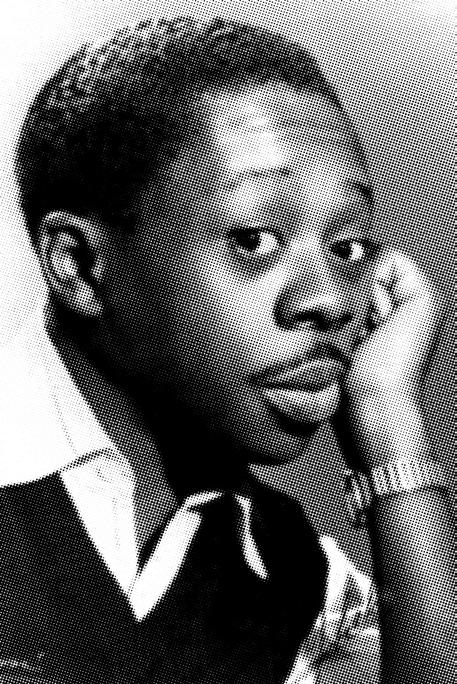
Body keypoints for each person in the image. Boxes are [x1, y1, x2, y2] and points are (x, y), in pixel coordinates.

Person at [0, 16, 452, 684]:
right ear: (81, 266)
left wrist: (391, 426)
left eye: (349, 246)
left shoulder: (299, 578)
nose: (329, 299)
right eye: (253, 240)